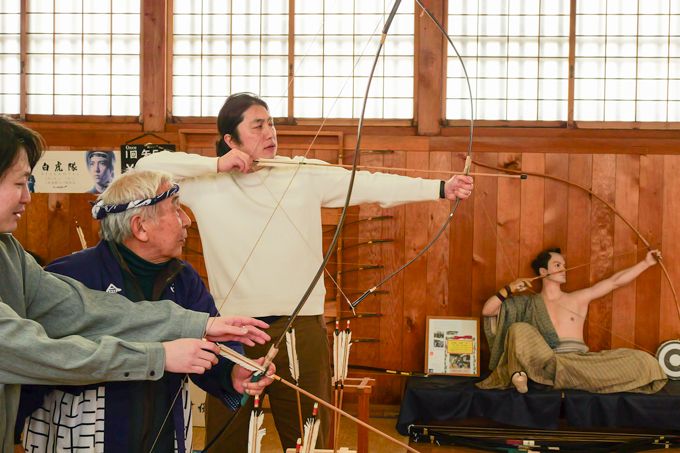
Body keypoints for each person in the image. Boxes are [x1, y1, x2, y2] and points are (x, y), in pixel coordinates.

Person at [136, 92, 474, 450]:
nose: (270, 132)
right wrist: (217, 165)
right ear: (230, 140)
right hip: (233, 330)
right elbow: (142, 169)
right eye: (257, 126)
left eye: (271, 123)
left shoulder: (303, 173)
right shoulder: (205, 184)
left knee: (309, 437)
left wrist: (440, 188)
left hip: (301, 326)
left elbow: (370, 183)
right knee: (227, 441)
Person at [0, 116, 271, 451]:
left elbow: (88, 310)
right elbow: (38, 353)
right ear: (140, 227)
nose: (28, 197)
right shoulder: (75, 270)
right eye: (19, 183)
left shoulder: (182, 276)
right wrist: (158, 355)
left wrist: (219, 351)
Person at [477, 247, 667, 394]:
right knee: (518, 328)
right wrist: (509, 289)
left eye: (564, 265)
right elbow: (488, 311)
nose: (564, 269)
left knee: (643, 361)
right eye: (557, 265)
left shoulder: (578, 298)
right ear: (543, 271)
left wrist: (646, 263)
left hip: (578, 364)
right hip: (546, 363)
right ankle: (519, 375)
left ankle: (551, 378)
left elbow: (614, 282)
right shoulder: (527, 303)